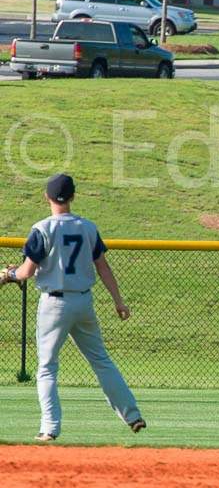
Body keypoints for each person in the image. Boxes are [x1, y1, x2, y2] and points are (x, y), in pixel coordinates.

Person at [1, 174, 145, 442]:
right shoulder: (87, 227)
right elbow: (103, 267)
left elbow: (27, 272)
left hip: (53, 304)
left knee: (47, 367)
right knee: (101, 360)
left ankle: (49, 428)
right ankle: (133, 415)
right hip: (83, 301)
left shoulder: (42, 228)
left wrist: (8, 274)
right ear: (73, 197)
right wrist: (118, 301)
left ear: (47, 197)